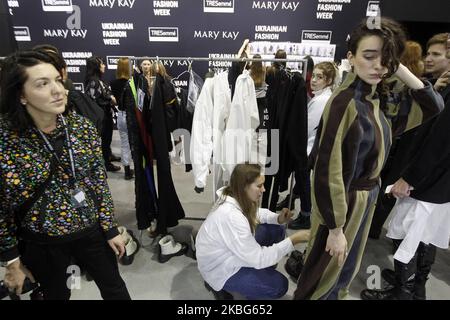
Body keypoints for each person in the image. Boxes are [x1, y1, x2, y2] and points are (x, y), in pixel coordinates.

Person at [293, 17, 443, 300]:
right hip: (344, 202)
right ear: (350, 57)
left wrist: (396, 65)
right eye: (368, 56)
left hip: (366, 197)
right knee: (322, 276)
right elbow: (327, 170)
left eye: (384, 59)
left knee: (344, 271)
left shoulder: (377, 102)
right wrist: (336, 228)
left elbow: (432, 105)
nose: (378, 65)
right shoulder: (344, 103)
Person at [0, 50, 130, 300]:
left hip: (90, 231)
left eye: (57, 80)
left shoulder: (81, 128)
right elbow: (2, 208)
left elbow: (98, 182)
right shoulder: (7, 140)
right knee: (56, 295)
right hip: (42, 241)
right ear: (21, 95)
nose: (58, 90)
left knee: (115, 290)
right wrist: (12, 262)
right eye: (42, 84)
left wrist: (110, 228)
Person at [361, 35, 450, 301]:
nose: (429, 58)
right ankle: (413, 287)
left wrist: (409, 178)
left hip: (427, 181)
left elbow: (439, 142)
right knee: (422, 234)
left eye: (439, 53)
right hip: (435, 182)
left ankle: (404, 290)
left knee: (410, 233)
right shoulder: (442, 85)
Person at [196, 163, 310, 300]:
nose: (264, 189)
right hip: (219, 268)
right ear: (244, 186)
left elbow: (256, 212)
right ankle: (229, 286)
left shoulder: (234, 194)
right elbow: (258, 258)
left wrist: (278, 218)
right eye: (259, 186)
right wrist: (294, 240)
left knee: (276, 229)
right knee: (279, 286)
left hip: (226, 252)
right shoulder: (231, 216)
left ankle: (259, 275)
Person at [288, 62, 337, 230]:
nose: (314, 80)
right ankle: (292, 198)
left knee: (303, 179)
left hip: (309, 148)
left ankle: (305, 214)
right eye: (314, 76)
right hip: (311, 146)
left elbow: (306, 127)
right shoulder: (322, 97)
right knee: (302, 179)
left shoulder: (321, 101)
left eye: (320, 77)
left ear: (329, 80)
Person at [85, 56, 120, 172]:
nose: (104, 66)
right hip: (102, 116)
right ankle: (107, 163)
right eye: (102, 64)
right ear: (96, 67)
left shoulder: (97, 80)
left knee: (107, 139)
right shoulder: (93, 82)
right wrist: (110, 99)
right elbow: (94, 101)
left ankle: (108, 155)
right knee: (105, 139)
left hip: (106, 115)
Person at [110, 57, 134, 180]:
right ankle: (137, 169)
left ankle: (127, 170)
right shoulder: (132, 82)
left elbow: (114, 100)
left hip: (120, 115)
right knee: (134, 143)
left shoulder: (113, 83)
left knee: (125, 144)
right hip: (131, 116)